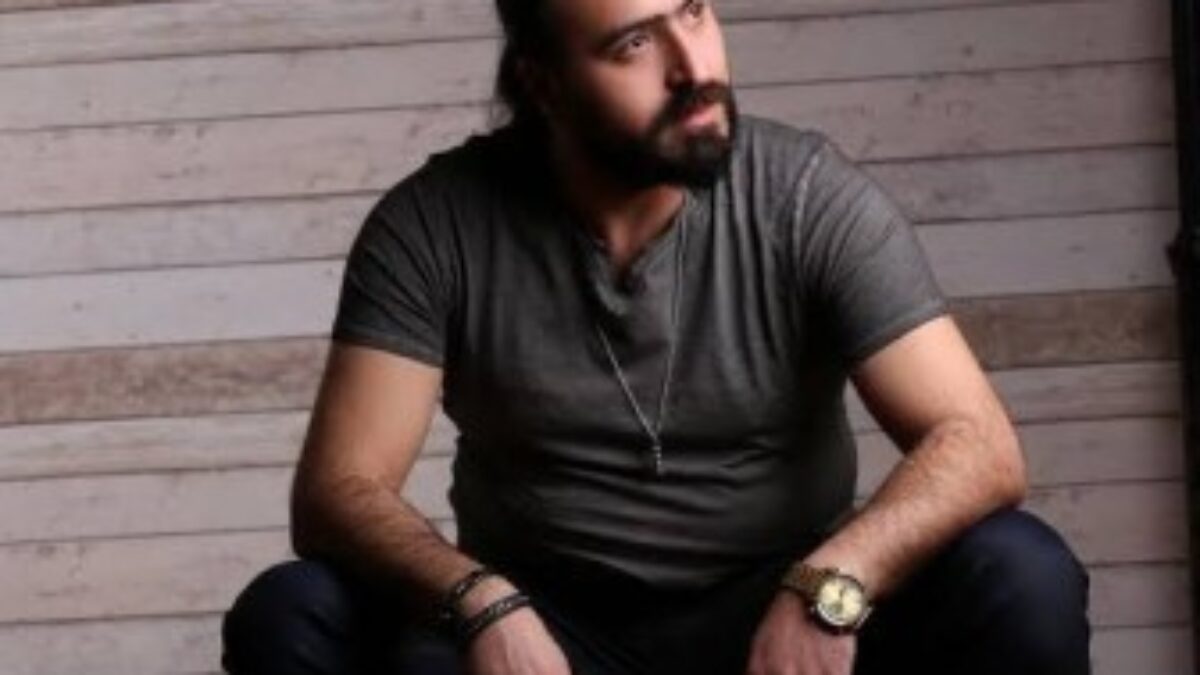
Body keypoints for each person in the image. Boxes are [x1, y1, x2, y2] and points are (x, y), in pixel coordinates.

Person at [221, 0, 1091, 672]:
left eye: (696, 11)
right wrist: (481, 601)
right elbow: (336, 491)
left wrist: (834, 584)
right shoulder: (435, 226)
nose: (694, 67)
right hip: (547, 628)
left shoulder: (807, 198)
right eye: (634, 43)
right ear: (543, 84)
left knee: (1021, 571)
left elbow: (980, 445)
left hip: (782, 609)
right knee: (294, 611)